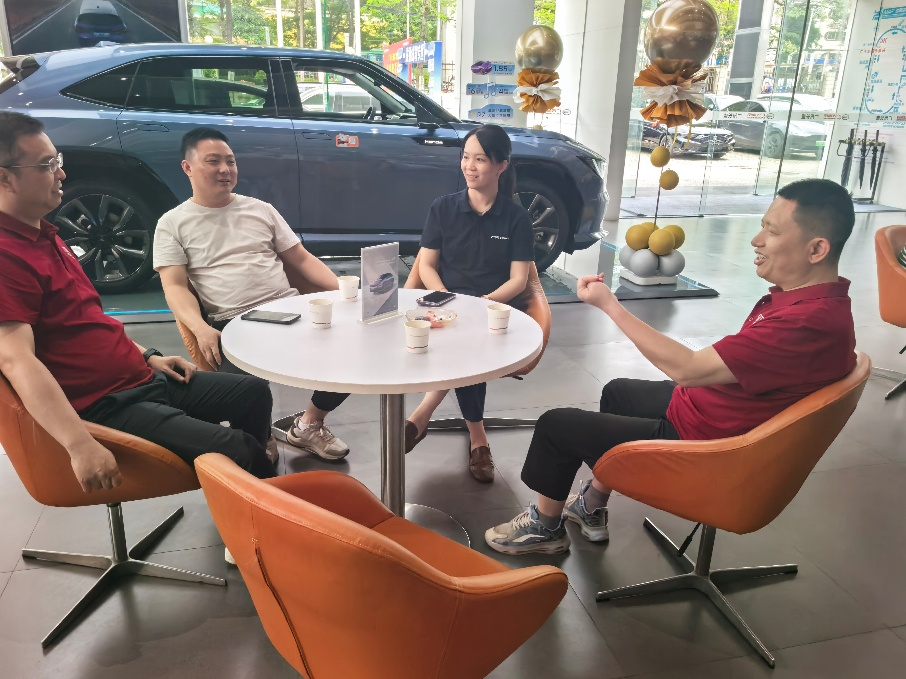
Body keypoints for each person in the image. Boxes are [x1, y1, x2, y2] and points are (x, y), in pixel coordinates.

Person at [485, 178, 857, 555]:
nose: (756, 240)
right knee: (618, 393)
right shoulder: (816, 307)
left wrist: (610, 305)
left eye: (771, 231)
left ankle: (545, 530)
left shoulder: (805, 325)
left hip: (708, 447)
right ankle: (591, 506)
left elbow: (689, 369)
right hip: (713, 414)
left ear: (817, 249)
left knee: (556, 426)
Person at [0, 111, 277, 497]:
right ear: (4, 177)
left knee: (252, 392)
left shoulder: (44, 234)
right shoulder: (7, 256)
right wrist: (80, 445)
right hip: (106, 404)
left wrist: (147, 356)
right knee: (240, 449)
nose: (61, 173)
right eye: (47, 165)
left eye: (57, 161)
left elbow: (86, 323)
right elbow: (15, 360)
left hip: (139, 377)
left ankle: (245, 496)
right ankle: (262, 510)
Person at [154, 128, 350, 461]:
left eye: (230, 161)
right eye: (213, 161)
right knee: (246, 395)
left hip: (290, 310)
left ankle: (308, 425)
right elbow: (174, 286)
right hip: (234, 322)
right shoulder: (172, 223)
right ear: (187, 167)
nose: (225, 169)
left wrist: (343, 291)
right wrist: (200, 328)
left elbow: (301, 259)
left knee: (353, 353)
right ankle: (258, 437)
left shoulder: (261, 210)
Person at [404, 124, 535, 483]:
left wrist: (479, 304)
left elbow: (518, 280)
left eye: (480, 159)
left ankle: (421, 416)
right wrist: (447, 300)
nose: (469, 166)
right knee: (461, 341)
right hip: (443, 303)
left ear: (501, 166)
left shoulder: (516, 218)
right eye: (465, 157)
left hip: (493, 309)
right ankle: (477, 438)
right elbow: (426, 265)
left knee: (470, 339)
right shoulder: (443, 208)